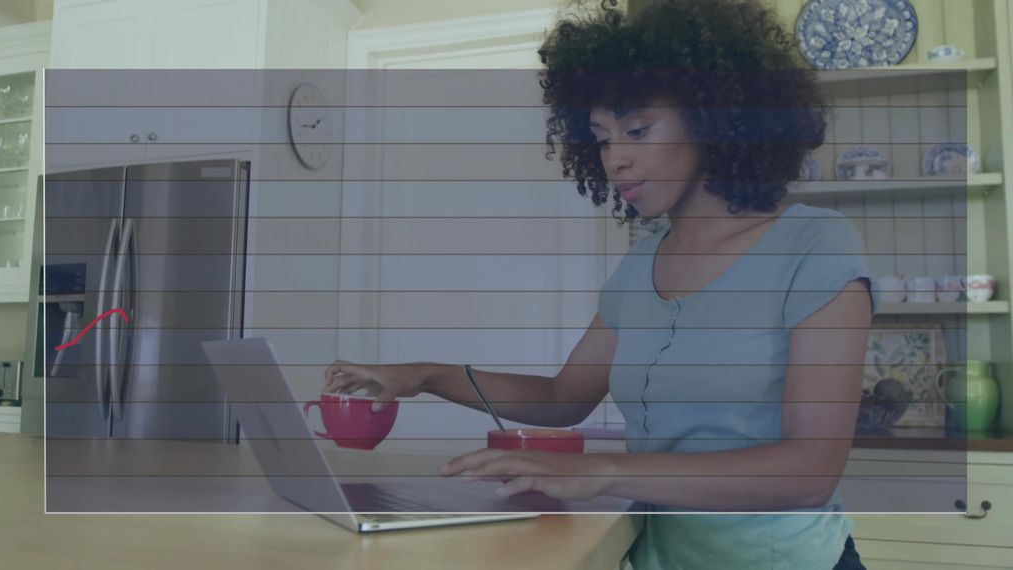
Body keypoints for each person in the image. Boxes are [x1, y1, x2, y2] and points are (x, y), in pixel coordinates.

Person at [324, 0, 877, 568]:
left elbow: (809, 471)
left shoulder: (814, 246)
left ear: (713, 115)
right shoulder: (640, 268)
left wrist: (601, 471)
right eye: (603, 138)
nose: (616, 160)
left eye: (637, 130)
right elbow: (565, 398)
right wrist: (428, 376)